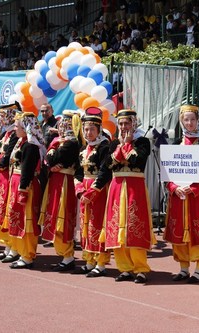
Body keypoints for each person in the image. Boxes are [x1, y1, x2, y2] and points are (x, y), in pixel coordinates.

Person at [99, 109, 154, 284]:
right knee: (117, 227)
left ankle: (140, 268)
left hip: (134, 188)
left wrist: (127, 145)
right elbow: (108, 164)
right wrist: (121, 147)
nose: (123, 127)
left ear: (133, 123)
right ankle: (124, 268)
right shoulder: (114, 142)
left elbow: (138, 161)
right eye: (121, 124)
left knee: (134, 227)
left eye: (127, 123)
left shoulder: (143, 141)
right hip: (116, 189)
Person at [164, 105, 199, 283]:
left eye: (193, 119)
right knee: (179, 231)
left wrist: (195, 189)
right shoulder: (175, 144)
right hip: (179, 197)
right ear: (181, 121)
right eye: (186, 119)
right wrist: (173, 188)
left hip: (198, 197)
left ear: (198, 120)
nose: (189, 123)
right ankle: (183, 268)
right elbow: (167, 173)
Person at [39, 110, 81, 271]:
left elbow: (51, 159)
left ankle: (68, 256)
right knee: (55, 215)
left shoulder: (71, 143)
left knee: (62, 217)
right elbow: (48, 161)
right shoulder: (60, 142)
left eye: (65, 124)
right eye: (61, 124)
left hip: (65, 182)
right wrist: (51, 158)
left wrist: (52, 154)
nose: (62, 127)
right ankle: (64, 255)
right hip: (56, 181)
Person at [73, 107, 112, 278]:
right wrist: (80, 191)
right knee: (85, 225)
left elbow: (105, 172)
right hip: (85, 191)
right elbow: (78, 172)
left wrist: (92, 192)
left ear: (99, 130)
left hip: (99, 191)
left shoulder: (104, 147)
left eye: (92, 129)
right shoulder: (83, 149)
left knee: (98, 224)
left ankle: (101, 262)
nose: (88, 133)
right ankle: (89, 260)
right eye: (86, 129)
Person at [5, 111, 45, 269]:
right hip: (16, 183)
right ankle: (19, 250)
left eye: (17, 125)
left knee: (27, 221)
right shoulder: (20, 142)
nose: (15, 128)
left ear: (25, 126)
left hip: (25, 186)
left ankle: (27, 255)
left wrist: (22, 189)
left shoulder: (30, 145)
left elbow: (27, 169)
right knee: (17, 218)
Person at [0, 103, 20, 263]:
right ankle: (6, 245)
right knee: (0, 211)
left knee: (9, 211)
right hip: (0, 178)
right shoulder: (4, 134)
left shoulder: (15, 134)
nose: (1, 119)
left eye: (3, 115)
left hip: (8, 178)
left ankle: (13, 247)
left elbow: (7, 158)